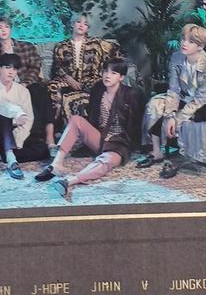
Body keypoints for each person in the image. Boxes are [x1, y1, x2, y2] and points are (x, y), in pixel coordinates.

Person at [37, 57, 143, 202]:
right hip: (100, 136)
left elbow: (135, 124)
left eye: (113, 73)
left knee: (106, 160)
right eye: (105, 71)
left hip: (119, 143)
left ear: (121, 77)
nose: (107, 76)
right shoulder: (98, 89)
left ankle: (69, 181)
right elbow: (92, 116)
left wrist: (136, 147)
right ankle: (57, 164)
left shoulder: (131, 94)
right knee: (76, 120)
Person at [138, 24, 206, 177]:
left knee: (190, 118)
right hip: (185, 96)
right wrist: (170, 115)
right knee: (155, 104)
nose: (184, 43)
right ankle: (156, 151)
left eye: (190, 42)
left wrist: (177, 118)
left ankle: (182, 159)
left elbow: (200, 99)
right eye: (183, 39)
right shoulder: (176, 57)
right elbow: (174, 89)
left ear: (200, 46)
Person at [0, 17, 56, 162]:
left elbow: (35, 66)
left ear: (10, 29)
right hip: (8, 87)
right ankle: (26, 140)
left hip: (27, 83)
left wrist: (25, 83)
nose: (3, 30)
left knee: (40, 93)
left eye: (6, 27)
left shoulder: (25, 46)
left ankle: (50, 138)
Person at [46, 11, 107, 128]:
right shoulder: (61, 46)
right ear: (72, 24)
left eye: (85, 24)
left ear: (87, 28)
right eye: (79, 22)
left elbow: (98, 66)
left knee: (99, 86)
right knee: (52, 86)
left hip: (89, 80)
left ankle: (94, 125)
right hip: (67, 80)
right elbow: (57, 66)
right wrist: (68, 78)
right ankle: (57, 126)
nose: (81, 25)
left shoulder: (95, 44)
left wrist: (87, 82)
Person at [0, 53, 34, 180]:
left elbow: (28, 118)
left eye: (14, 69)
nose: (11, 72)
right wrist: (14, 120)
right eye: (7, 67)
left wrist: (18, 139)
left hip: (13, 135)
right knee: (3, 117)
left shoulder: (23, 91)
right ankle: (11, 158)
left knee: (42, 150)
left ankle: (0, 155)